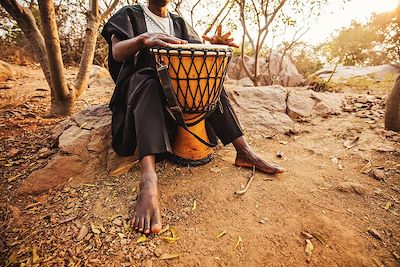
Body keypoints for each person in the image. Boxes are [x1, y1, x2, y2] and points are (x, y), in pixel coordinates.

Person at [101, 0, 284, 234]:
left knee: (211, 80)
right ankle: (148, 179)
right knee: (146, 80)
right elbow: (117, 52)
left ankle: (244, 152)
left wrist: (213, 45)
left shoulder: (178, 21)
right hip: (139, 94)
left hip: (174, 96)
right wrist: (143, 39)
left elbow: (196, 54)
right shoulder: (130, 14)